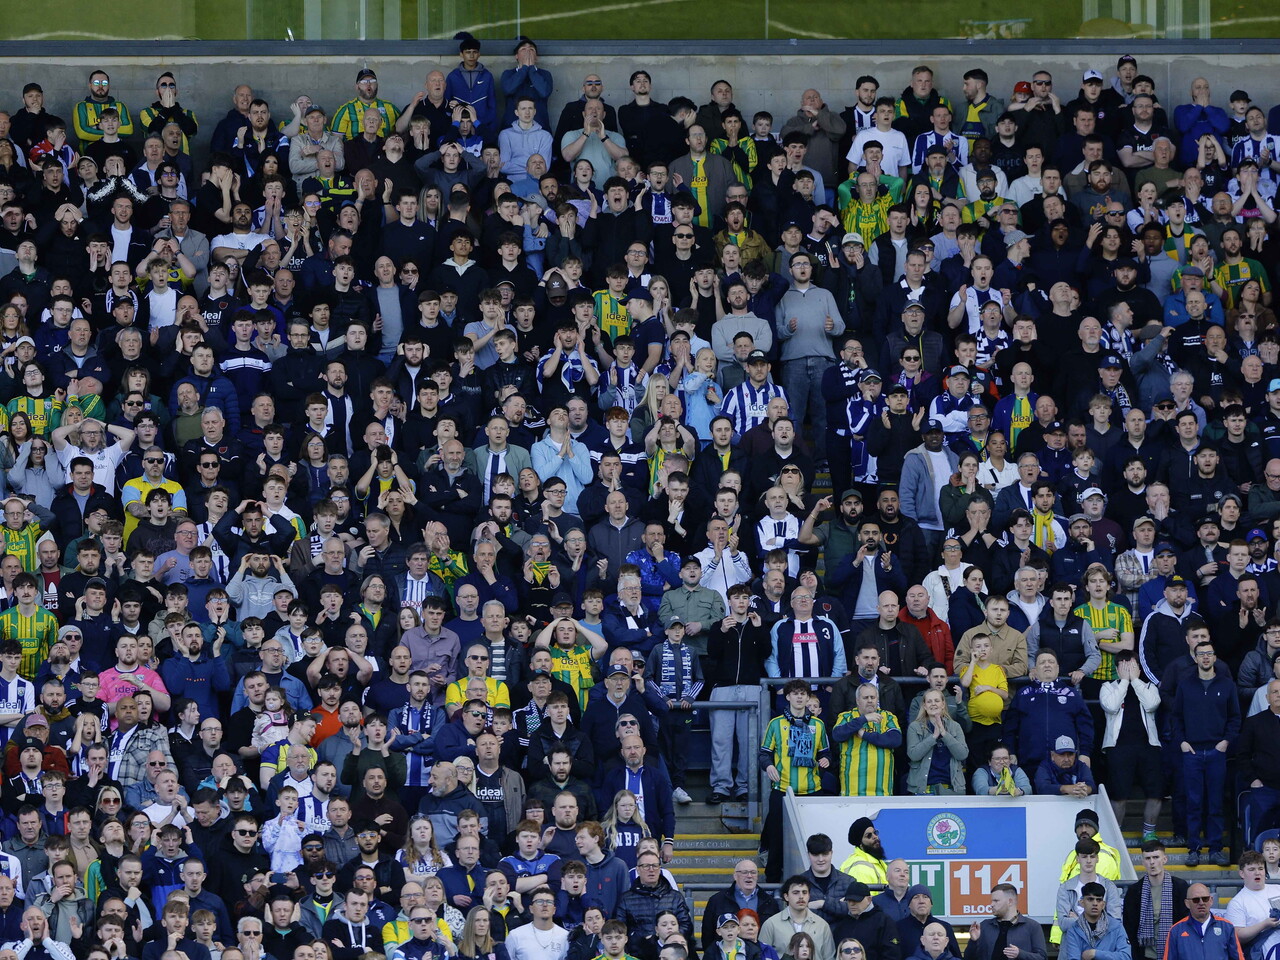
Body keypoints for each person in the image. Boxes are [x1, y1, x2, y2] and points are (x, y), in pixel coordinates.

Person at [1122, 840, 1188, 960]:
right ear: (1143, 862)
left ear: (1164, 859)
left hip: (1175, 952)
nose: (1152, 862)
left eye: (1156, 857)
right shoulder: (1134, 891)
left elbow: (1185, 921)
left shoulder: (1180, 887)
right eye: (1147, 858)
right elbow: (1129, 926)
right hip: (1145, 955)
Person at [964, 884, 1047, 960]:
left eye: (996, 901)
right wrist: (973, 941)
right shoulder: (985, 926)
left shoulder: (1031, 926)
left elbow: (1042, 957)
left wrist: (1020, 954)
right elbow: (968, 958)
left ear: (1010, 901)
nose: (991, 904)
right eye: (992, 901)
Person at [1163, 884, 1245, 960]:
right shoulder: (1176, 930)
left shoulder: (1227, 927)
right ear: (1187, 903)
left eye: (1205, 899)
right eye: (1196, 900)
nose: (1201, 903)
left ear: (1211, 900)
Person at [1058, 881, 1129, 960]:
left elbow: (1126, 956)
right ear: (1082, 903)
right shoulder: (1074, 930)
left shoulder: (1116, 927)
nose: (1095, 903)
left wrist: (1095, 953)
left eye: (1098, 900)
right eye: (1090, 899)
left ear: (1103, 904)